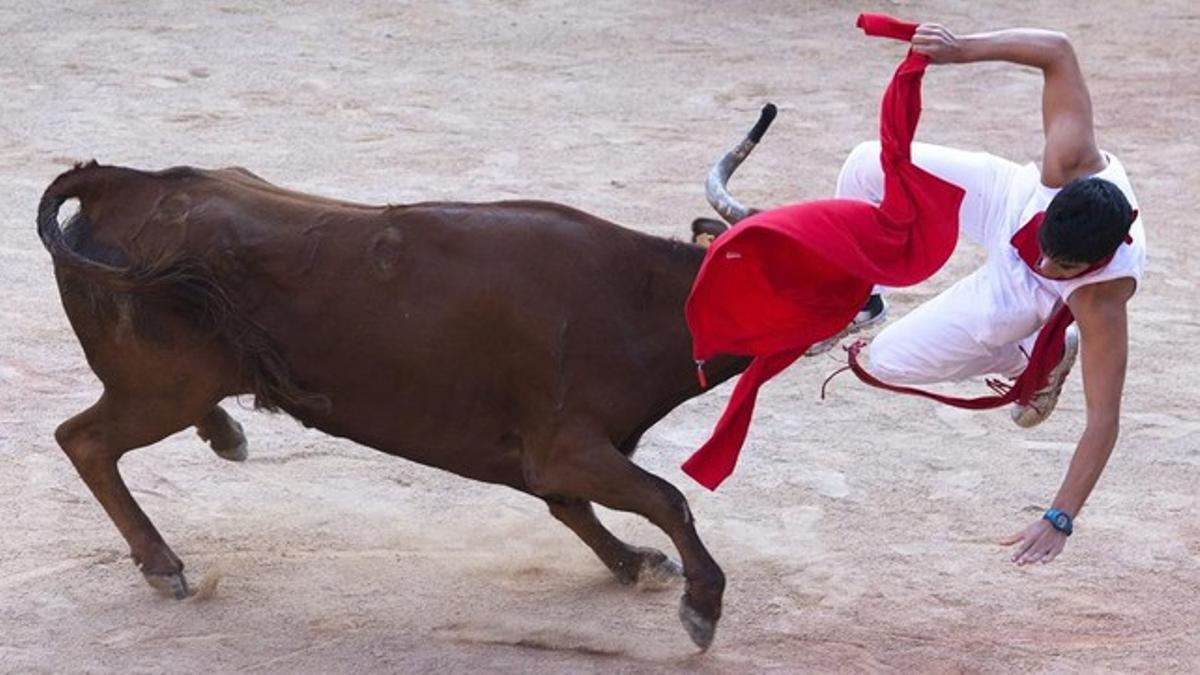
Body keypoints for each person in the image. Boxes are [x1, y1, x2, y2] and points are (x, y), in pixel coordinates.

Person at [832, 22, 1145, 566]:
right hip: (1013, 197)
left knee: (881, 363)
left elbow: (1104, 421)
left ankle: (1033, 356)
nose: (1050, 263)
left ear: (1096, 260)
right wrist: (960, 51)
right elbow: (1057, 50)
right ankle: (864, 299)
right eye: (1050, 250)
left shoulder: (1101, 300)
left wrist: (1060, 517)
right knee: (868, 164)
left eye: (1064, 265)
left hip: (1024, 293)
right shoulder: (1067, 160)